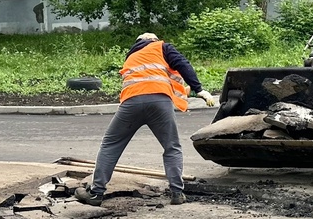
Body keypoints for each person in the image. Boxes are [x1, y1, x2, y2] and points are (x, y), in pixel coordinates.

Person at [74, 32, 214, 207]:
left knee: (110, 145)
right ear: (153, 40)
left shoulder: (131, 56)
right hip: (160, 103)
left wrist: (186, 91)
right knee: (171, 147)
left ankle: (96, 194)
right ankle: (177, 194)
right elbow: (182, 64)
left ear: (138, 43)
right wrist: (199, 89)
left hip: (131, 103)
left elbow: (147, 81)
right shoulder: (162, 47)